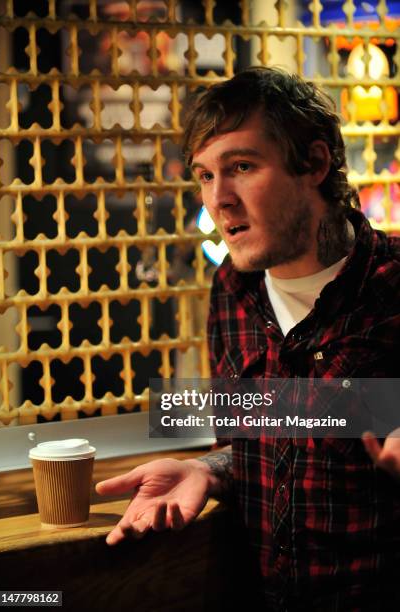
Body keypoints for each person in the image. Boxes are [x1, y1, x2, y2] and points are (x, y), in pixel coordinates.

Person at [96, 67, 400, 610]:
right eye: (205, 176)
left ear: (314, 164)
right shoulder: (231, 291)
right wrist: (204, 470)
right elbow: (262, 443)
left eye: (240, 166)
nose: (219, 200)